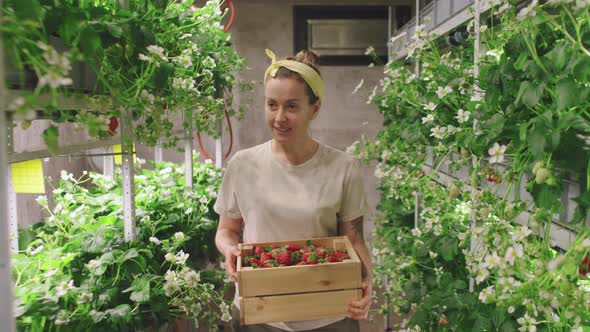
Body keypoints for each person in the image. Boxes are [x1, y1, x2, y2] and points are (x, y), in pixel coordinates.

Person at [214, 48, 373, 332]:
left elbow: (353, 238)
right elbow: (226, 230)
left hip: (328, 311)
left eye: (292, 106)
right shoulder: (242, 165)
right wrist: (229, 250)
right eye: (272, 104)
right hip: (260, 310)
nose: (279, 117)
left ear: (315, 108)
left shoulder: (343, 167)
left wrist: (366, 281)